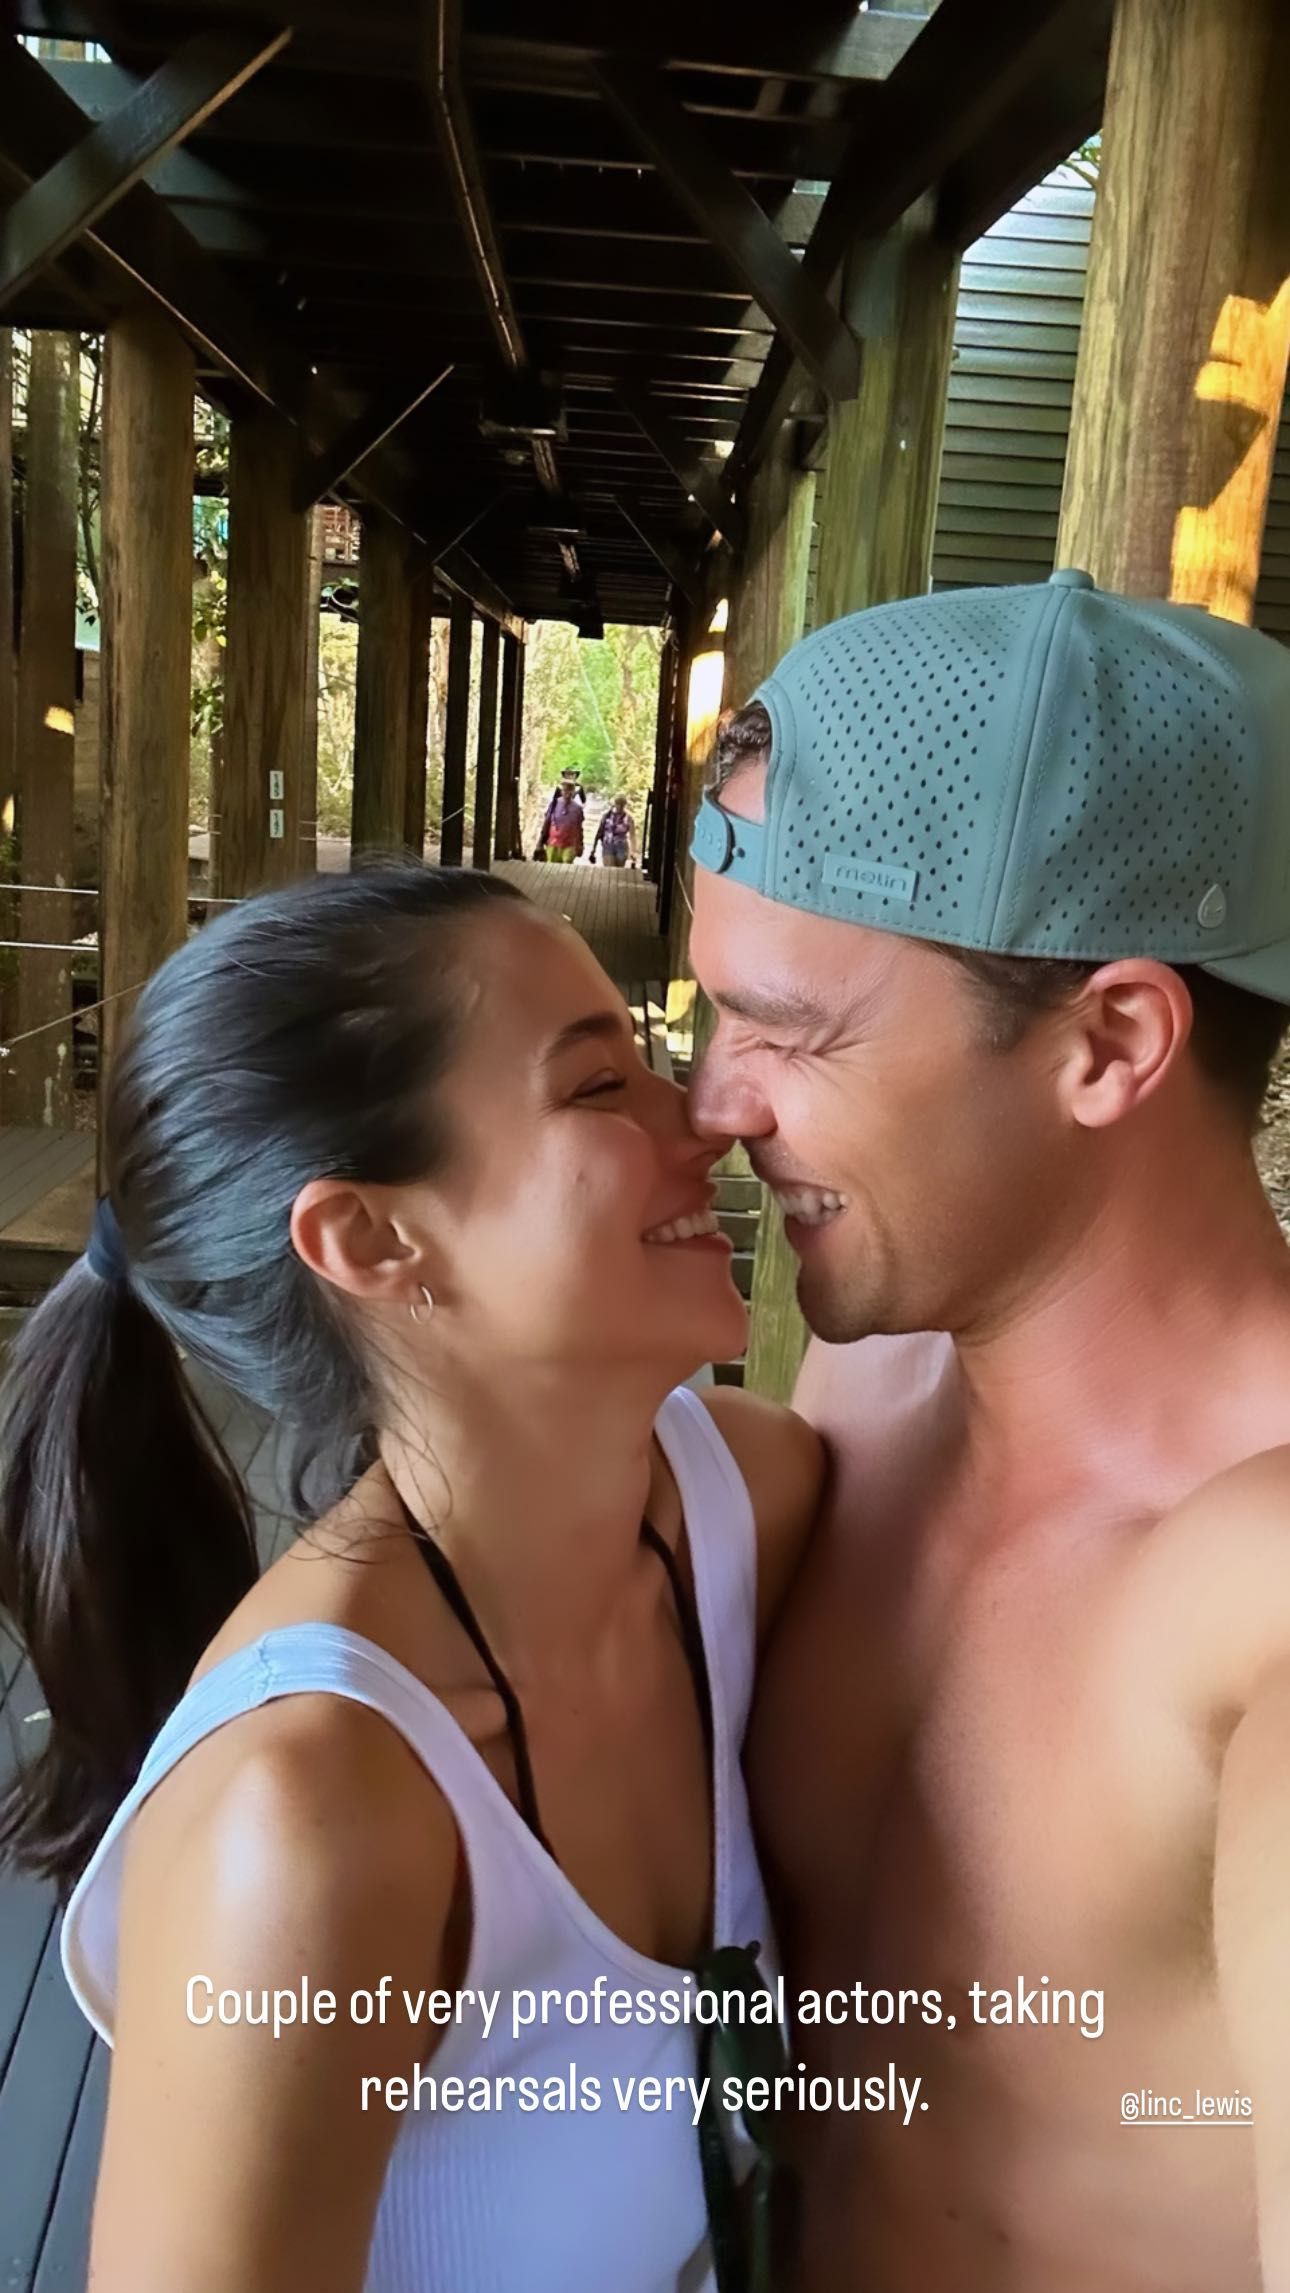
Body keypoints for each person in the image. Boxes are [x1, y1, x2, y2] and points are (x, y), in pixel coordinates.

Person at [0, 863, 823, 2293]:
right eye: (598, 1084)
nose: (707, 1117)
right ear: (371, 1239)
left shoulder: (745, 1507)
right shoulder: (309, 1817)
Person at [687, 571, 1290, 2293]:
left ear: (1109, 1042)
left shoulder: (1265, 1590)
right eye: (715, 1007)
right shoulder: (866, 1400)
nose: (712, 1102)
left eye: (792, 1030)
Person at [537, 768, 585, 864]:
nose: (568, 793)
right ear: (562, 791)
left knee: (566, 864)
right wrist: (540, 842)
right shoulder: (554, 803)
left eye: (570, 790)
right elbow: (547, 822)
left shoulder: (578, 808)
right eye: (565, 790)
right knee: (551, 867)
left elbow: (579, 827)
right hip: (553, 843)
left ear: (573, 791)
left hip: (570, 844)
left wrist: (580, 844)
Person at [592, 795, 635, 869]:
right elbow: (599, 832)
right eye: (618, 804)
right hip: (608, 845)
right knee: (609, 869)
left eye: (622, 805)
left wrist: (633, 851)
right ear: (615, 804)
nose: (620, 807)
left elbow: (632, 835)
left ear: (624, 805)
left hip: (621, 846)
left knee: (619, 870)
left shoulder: (628, 818)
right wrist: (593, 849)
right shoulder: (607, 816)